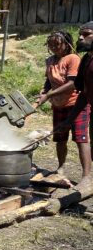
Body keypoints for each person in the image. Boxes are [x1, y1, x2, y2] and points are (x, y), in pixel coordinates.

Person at [35, 30, 90, 177]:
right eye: (51, 44)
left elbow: (72, 83)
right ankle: (61, 168)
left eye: (57, 44)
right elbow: (49, 80)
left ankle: (86, 175)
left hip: (76, 104)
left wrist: (49, 94)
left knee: (81, 139)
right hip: (58, 105)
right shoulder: (50, 60)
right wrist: (44, 92)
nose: (54, 47)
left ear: (66, 44)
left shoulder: (73, 58)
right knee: (60, 138)